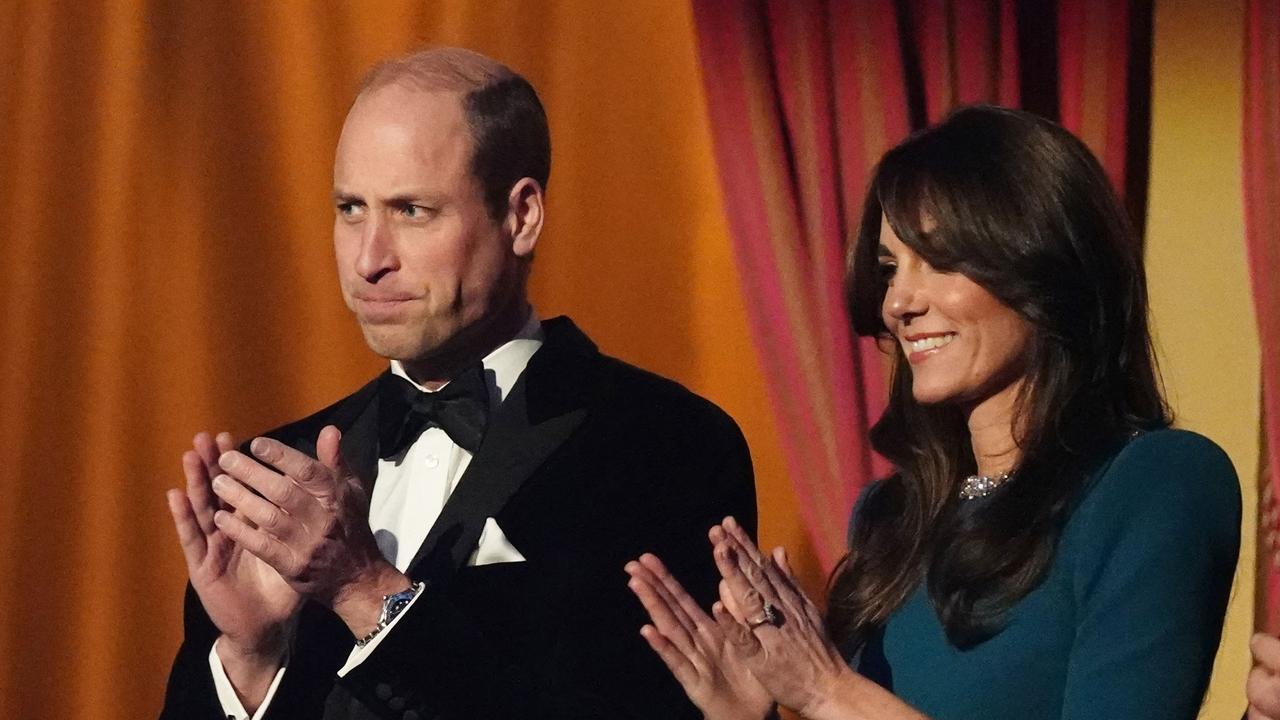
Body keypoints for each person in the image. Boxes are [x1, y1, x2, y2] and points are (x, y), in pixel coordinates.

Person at [160, 47, 756, 720]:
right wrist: (250, 658)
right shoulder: (284, 474)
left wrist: (366, 591)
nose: (368, 259)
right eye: (351, 208)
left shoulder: (663, 445)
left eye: (412, 210)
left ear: (521, 216)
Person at [626, 105, 1241, 720]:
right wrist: (746, 714)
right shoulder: (891, 519)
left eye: (940, 260)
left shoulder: (1156, 483)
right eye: (890, 269)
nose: (898, 301)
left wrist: (829, 692)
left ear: (1046, 265)